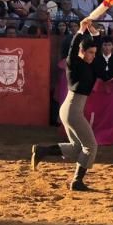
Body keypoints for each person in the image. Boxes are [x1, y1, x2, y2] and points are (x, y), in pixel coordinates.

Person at [31, 19, 100, 190]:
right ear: (81, 52)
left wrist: (92, 31)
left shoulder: (88, 65)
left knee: (78, 147)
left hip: (72, 109)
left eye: (94, 53)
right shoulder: (73, 63)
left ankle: (42, 151)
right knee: (91, 146)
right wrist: (80, 31)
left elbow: (94, 43)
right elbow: (72, 49)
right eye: (90, 52)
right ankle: (77, 182)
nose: (92, 56)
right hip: (73, 110)